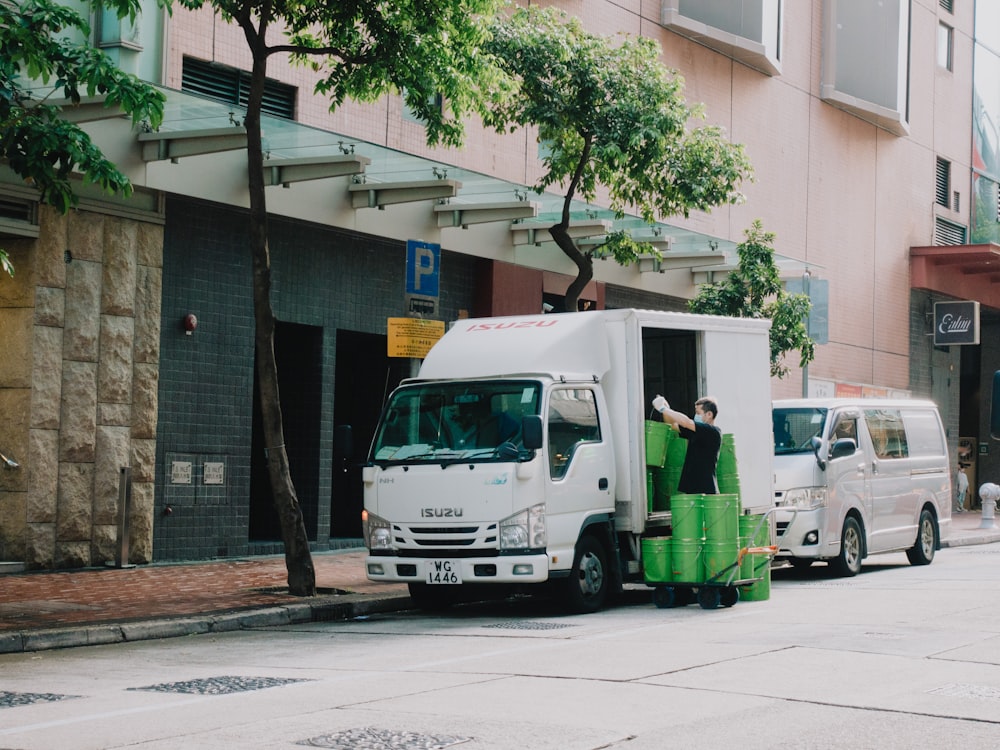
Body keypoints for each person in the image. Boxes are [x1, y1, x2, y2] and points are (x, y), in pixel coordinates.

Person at [652, 394, 722, 494]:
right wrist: (666, 407)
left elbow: (686, 422)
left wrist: (663, 409)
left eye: (698, 413)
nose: (695, 416)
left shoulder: (713, 432)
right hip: (692, 488)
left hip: (706, 489)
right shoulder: (696, 432)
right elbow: (673, 425)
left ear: (709, 414)